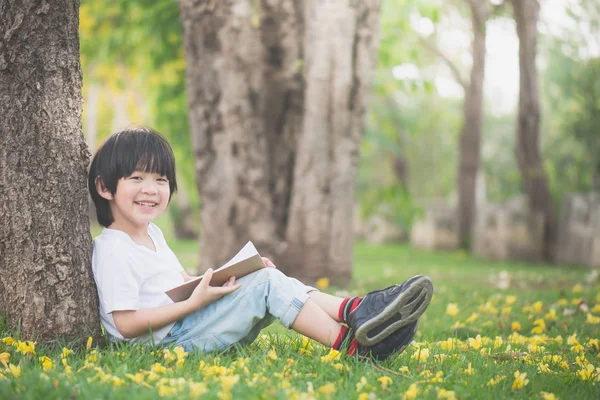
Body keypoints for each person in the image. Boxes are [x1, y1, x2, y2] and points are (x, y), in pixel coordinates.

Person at [88, 127, 433, 360]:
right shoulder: (114, 249)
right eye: (136, 178)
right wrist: (195, 304)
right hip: (171, 343)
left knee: (264, 276)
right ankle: (355, 344)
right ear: (105, 188)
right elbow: (125, 324)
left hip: (187, 326)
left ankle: (358, 311)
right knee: (267, 284)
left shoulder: (153, 235)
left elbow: (180, 285)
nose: (151, 189)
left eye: (160, 180)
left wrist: (228, 276)